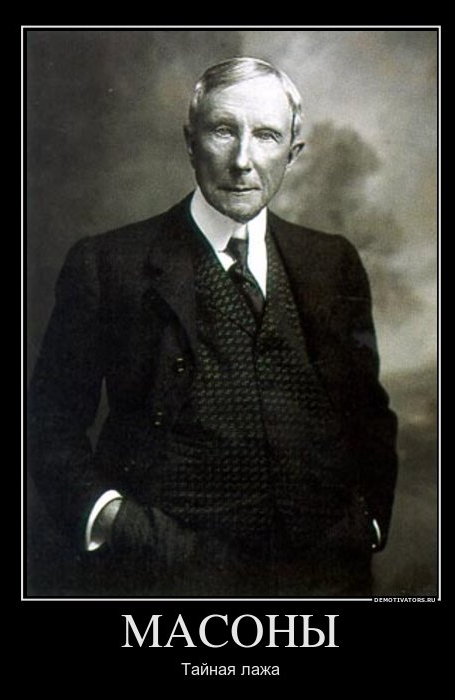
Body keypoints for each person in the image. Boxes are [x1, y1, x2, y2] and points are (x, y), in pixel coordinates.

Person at [28, 56, 398, 597]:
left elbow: (368, 413)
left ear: (293, 153)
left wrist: (367, 522)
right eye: (224, 130)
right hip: (163, 583)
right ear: (190, 140)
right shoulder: (108, 265)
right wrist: (112, 520)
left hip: (323, 581)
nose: (242, 161)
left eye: (266, 136)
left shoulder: (331, 262)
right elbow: (49, 420)